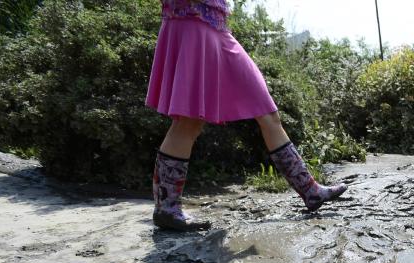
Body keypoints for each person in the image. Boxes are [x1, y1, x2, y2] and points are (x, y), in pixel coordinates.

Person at [146, 0, 347, 231]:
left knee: (267, 110)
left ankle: (310, 191)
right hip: (191, 24)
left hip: (216, 27)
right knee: (189, 122)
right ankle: (166, 209)